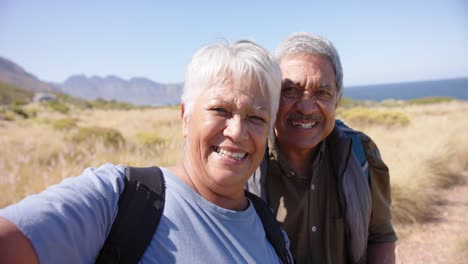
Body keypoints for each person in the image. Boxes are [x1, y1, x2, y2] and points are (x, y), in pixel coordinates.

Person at [0, 39, 293, 263]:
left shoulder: (271, 232)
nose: (237, 131)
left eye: (256, 118)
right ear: (186, 118)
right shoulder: (116, 198)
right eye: (220, 110)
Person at [246, 32, 397, 263]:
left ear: (337, 98)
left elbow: (379, 236)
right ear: (272, 95)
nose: (306, 107)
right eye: (290, 90)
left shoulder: (360, 154)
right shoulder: (246, 157)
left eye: (322, 92)